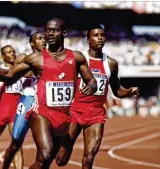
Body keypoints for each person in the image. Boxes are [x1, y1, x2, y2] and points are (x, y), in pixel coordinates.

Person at [0, 18, 97, 169]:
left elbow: (92, 81)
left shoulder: (77, 58)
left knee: (45, 161)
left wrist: (91, 86)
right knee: (45, 153)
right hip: (41, 113)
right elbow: (9, 76)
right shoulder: (36, 59)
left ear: (64, 33)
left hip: (63, 115)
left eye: (54, 30)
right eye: (48, 30)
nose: (50, 33)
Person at [55, 25, 140, 169]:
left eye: (102, 35)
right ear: (88, 40)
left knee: (89, 157)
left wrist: (128, 92)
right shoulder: (78, 59)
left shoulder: (111, 64)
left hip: (95, 114)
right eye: (95, 35)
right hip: (74, 111)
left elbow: (116, 90)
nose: (100, 38)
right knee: (61, 160)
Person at [2, 32, 47, 169]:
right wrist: (30, 72)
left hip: (44, 102)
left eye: (44, 38)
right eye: (39, 38)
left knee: (44, 147)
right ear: (32, 43)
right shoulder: (23, 57)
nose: (43, 41)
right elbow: (12, 74)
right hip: (27, 99)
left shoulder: (51, 58)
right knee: (16, 144)